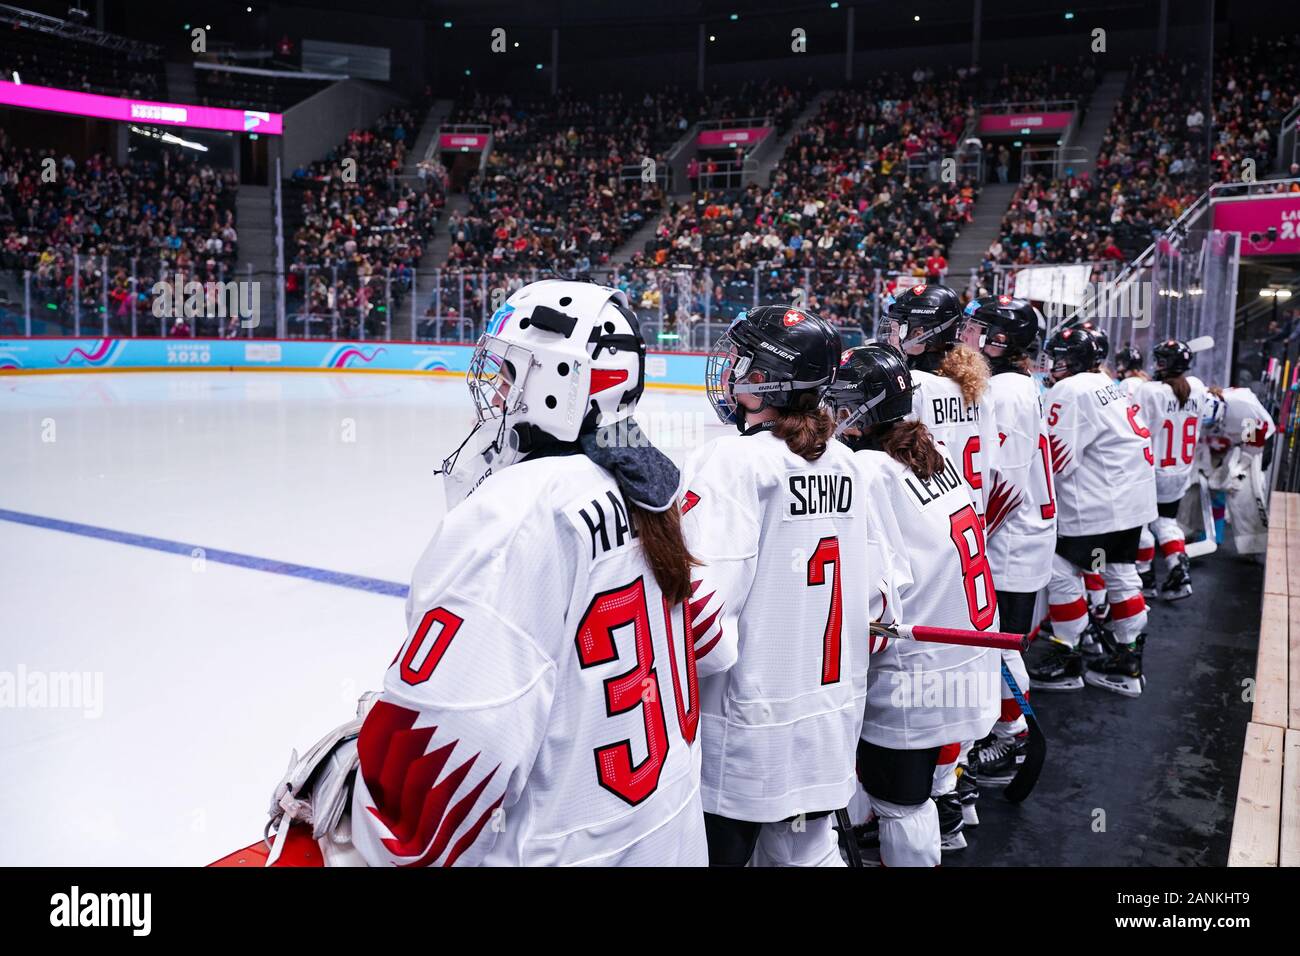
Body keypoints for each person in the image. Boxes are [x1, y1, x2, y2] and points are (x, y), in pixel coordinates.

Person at [261, 279, 709, 866]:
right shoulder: (653, 486)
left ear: (561, 382)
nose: (495, 391)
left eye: (509, 372)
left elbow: (435, 789)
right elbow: (714, 649)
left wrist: (361, 803)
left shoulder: (520, 514)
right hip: (668, 840)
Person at [680, 304, 870, 867]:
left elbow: (705, 620)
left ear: (769, 379)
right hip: (829, 713)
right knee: (808, 854)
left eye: (744, 363)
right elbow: (881, 595)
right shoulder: (846, 462)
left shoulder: (734, 462)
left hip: (745, 727)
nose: (733, 371)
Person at [828, 343, 999, 865]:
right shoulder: (930, 451)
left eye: (838, 402)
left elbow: (876, 599)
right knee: (931, 773)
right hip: (967, 653)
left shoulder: (866, 472)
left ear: (859, 412)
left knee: (900, 803)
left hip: (918, 673)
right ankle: (948, 806)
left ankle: (922, 829)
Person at [881, 282, 1001, 842]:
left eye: (904, 322)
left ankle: (939, 794)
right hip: (964, 524)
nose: (895, 331)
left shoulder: (915, 389)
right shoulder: (976, 386)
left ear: (925, 330)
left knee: (917, 680)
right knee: (955, 680)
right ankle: (953, 785)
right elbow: (991, 470)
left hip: (924, 536)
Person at [955, 296, 1055, 789]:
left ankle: (1013, 735)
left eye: (977, 328)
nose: (967, 335)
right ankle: (1006, 728)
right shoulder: (1015, 384)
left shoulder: (1010, 391)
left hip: (1013, 542)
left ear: (999, 341)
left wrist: (966, 545)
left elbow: (1008, 482)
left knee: (1001, 645)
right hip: (1020, 536)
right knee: (999, 642)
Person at [1030, 327, 1157, 698]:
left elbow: (1058, 459)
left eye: (1059, 357)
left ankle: (1067, 651)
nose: (1053, 364)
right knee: (1120, 571)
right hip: (1131, 499)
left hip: (1099, 501)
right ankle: (1129, 657)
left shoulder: (1070, 389)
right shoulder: (1106, 383)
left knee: (1059, 570)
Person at [1135, 340, 1208, 600]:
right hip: (1179, 471)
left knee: (1140, 527)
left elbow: (1135, 432)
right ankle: (1178, 571)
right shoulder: (1197, 388)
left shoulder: (1150, 391)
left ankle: (1145, 580)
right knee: (1166, 522)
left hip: (1152, 471)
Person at [1201, 384, 1275, 556]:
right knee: (1211, 486)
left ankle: (1253, 547)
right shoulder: (1203, 403)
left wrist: (1239, 472)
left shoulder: (1242, 407)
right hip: (1231, 441)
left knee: (1243, 492)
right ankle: (1211, 534)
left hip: (1255, 444)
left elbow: (1252, 445)